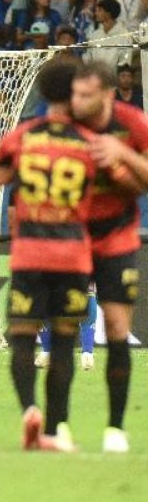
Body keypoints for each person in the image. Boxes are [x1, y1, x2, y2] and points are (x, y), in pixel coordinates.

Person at [0, 58, 140, 452]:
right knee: (62, 342)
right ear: (71, 94)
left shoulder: (26, 136)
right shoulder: (88, 143)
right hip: (73, 254)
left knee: (23, 337)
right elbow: (123, 185)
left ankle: (30, 411)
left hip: (29, 252)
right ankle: (58, 427)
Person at [67, 60, 148, 453]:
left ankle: (115, 428)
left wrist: (123, 155)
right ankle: (57, 426)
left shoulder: (133, 124)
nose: (78, 101)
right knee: (64, 325)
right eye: (75, 93)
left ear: (109, 94)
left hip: (116, 239)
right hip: (71, 239)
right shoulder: (64, 124)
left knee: (116, 331)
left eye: (86, 94)